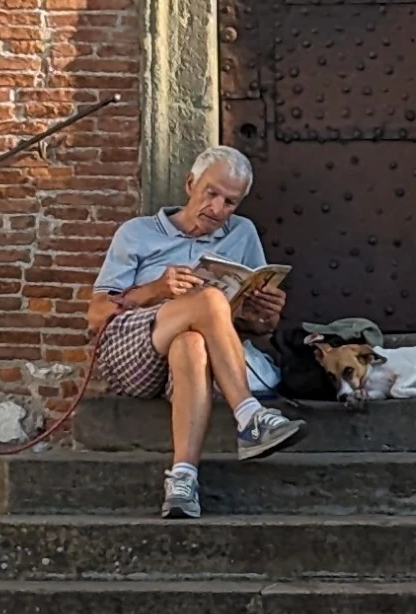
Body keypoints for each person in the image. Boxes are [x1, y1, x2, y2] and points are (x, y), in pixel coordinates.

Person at [87, 145, 305, 519]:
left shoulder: (243, 234)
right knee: (209, 301)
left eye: (230, 203)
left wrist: (264, 316)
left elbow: (254, 326)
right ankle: (250, 416)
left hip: (187, 363)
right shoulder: (137, 233)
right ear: (190, 183)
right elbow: (96, 315)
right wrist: (156, 289)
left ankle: (183, 478)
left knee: (193, 341)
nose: (218, 210)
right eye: (212, 194)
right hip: (131, 353)